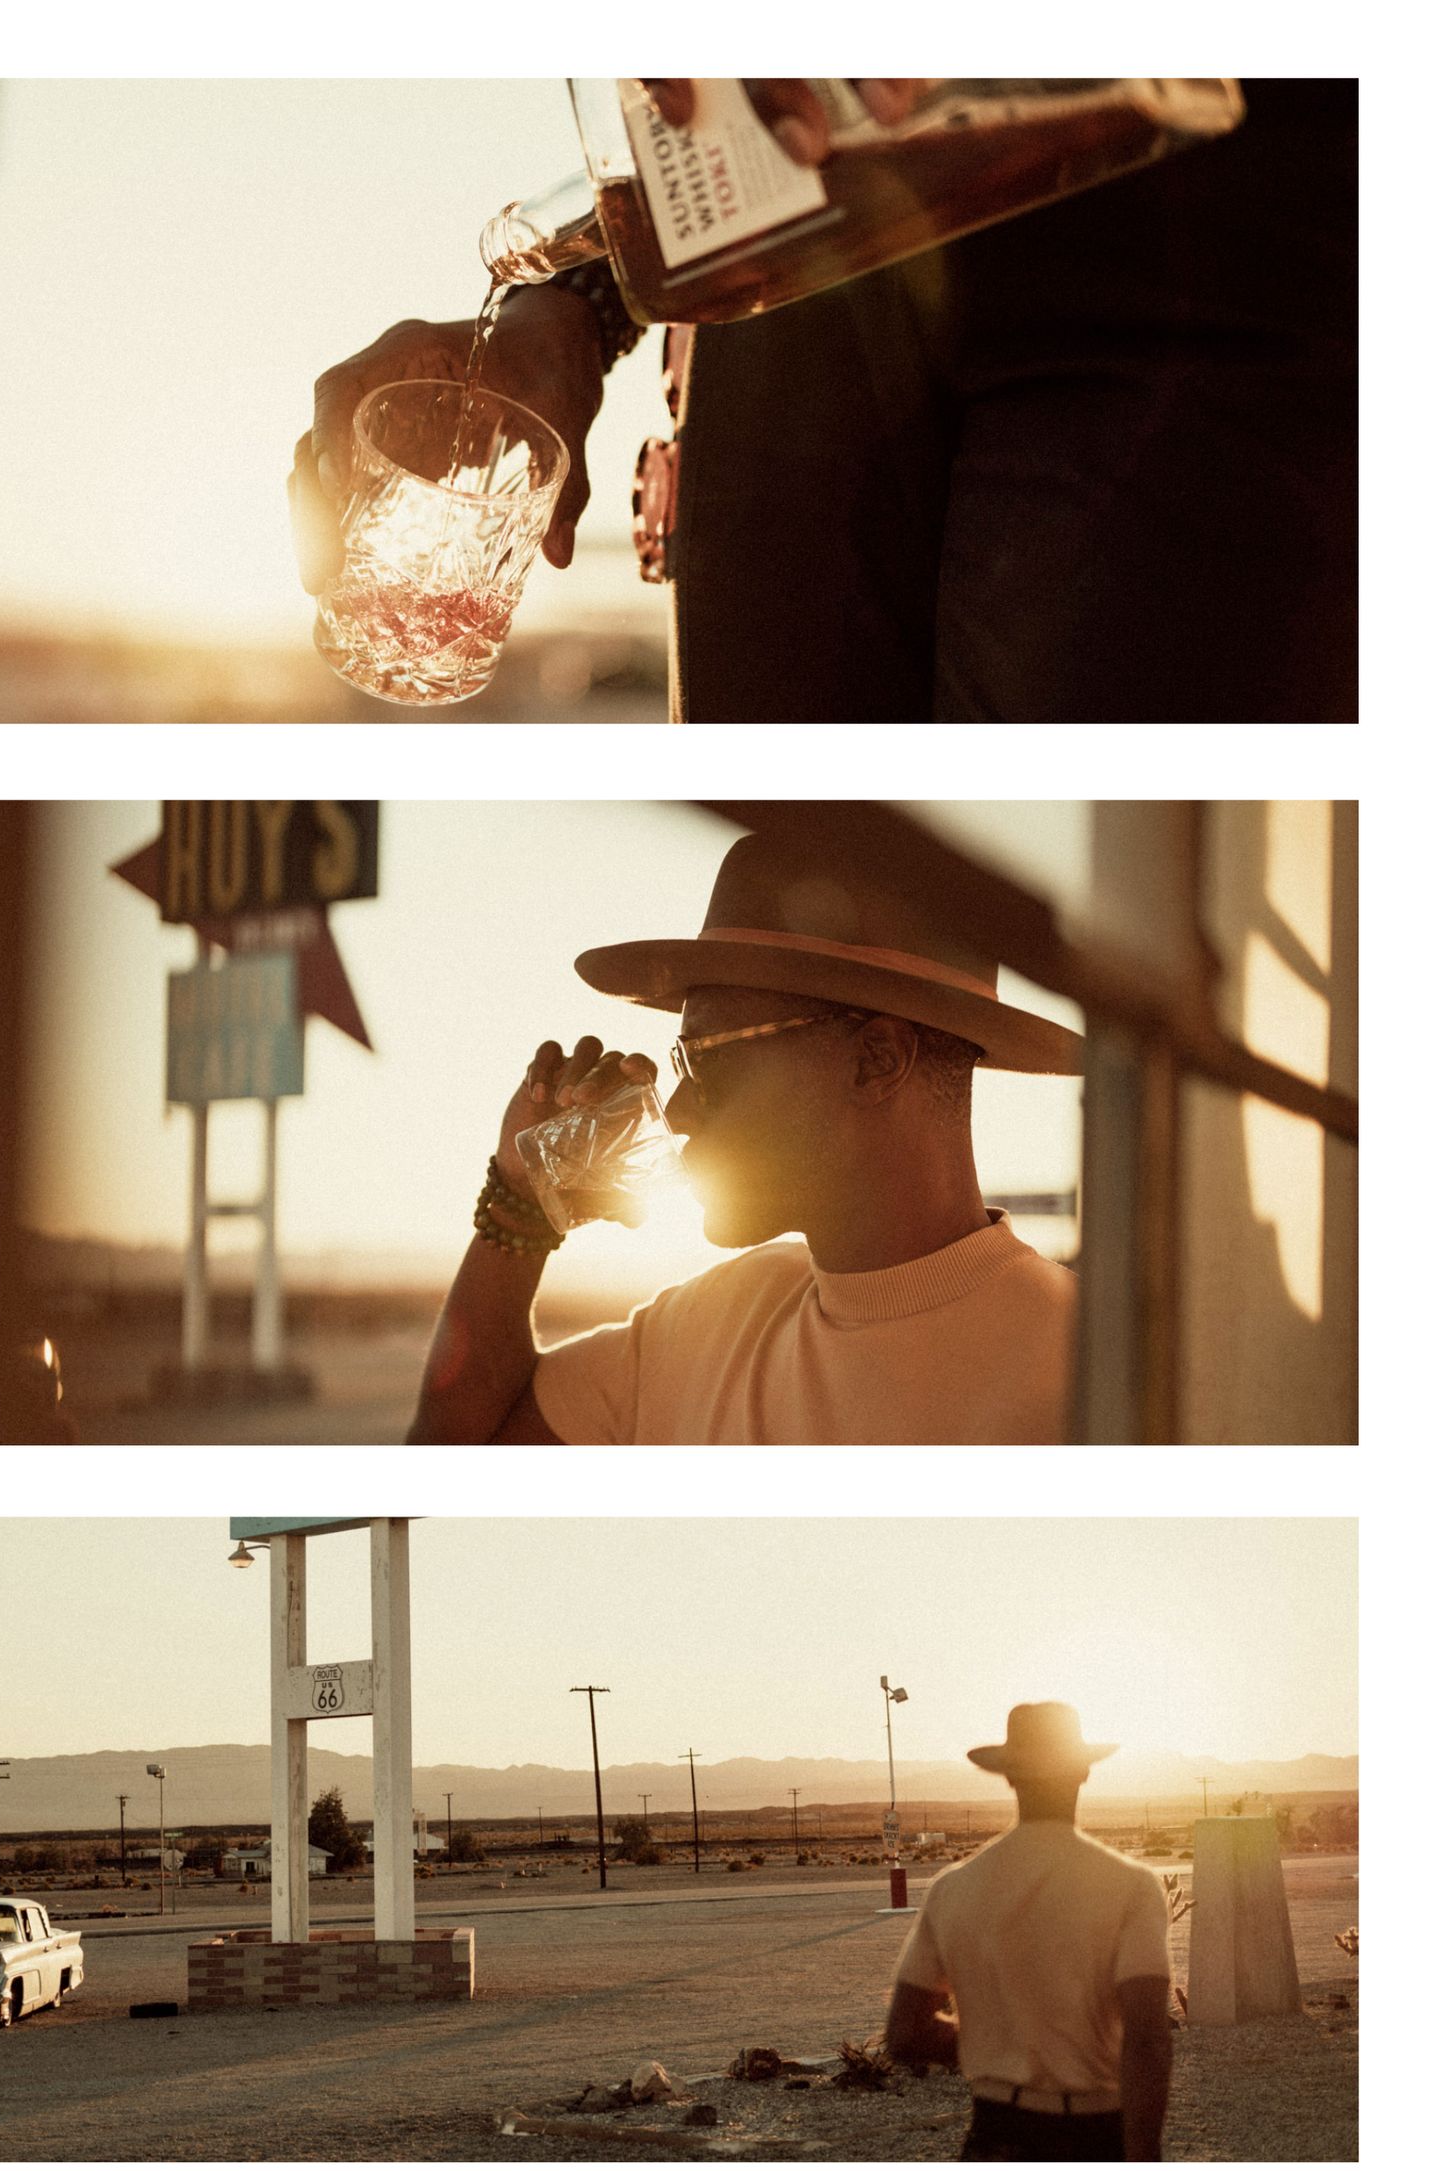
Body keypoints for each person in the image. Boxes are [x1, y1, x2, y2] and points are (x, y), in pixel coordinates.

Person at [290, 78, 1356, 722]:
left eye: (702, 1042)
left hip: (1181, 247)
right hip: (784, 310)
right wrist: (578, 304)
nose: (678, 1076)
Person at [407, 830, 1082, 1445]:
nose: (675, 1113)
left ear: (877, 1060)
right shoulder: (707, 1325)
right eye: (681, 1064)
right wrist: (523, 1202)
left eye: (708, 1060)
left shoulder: (1084, 1372)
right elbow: (449, 1464)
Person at [884, 1701, 1174, 2161]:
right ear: (1083, 1773)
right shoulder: (1130, 1886)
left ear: (1008, 1777)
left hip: (995, 2136)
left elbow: (904, 2034)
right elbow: (1147, 2036)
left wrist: (991, 2043)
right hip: (1095, 2135)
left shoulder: (953, 1889)